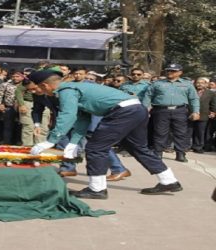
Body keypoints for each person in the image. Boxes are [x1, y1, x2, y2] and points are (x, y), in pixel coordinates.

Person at [30, 70, 182, 199]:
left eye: (39, 89)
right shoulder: (75, 88)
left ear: (45, 85)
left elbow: (68, 115)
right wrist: (74, 142)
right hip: (136, 109)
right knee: (137, 147)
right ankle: (168, 180)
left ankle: (97, 189)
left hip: (123, 112)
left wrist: (50, 141)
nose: (41, 93)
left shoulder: (66, 91)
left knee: (96, 148)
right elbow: (83, 118)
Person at [143, 63, 200, 162]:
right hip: (161, 110)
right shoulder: (157, 83)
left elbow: (194, 99)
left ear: (180, 72)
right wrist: (144, 109)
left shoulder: (187, 84)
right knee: (160, 132)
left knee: (181, 133)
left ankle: (180, 154)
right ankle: (158, 153)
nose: (170, 72)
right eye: (168, 70)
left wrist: (196, 111)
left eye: (173, 71)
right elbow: (148, 96)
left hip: (180, 110)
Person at [0, 71, 23, 145]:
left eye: (17, 76)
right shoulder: (5, 84)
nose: (15, 78)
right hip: (9, 107)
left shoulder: (26, 84)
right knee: (8, 126)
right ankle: (7, 142)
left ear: (22, 76)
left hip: (22, 108)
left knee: (21, 125)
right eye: (14, 76)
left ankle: (19, 141)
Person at [188, 77, 216, 153]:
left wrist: (213, 112)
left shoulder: (211, 93)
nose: (199, 84)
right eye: (198, 82)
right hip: (190, 114)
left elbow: (213, 104)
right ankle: (186, 146)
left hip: (203, 114)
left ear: (206, 84)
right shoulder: (191, 91)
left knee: (200, 132)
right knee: (189, 131)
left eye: (202, 83)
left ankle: (198, 147)